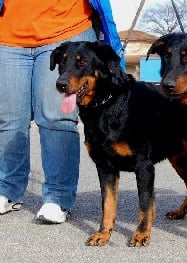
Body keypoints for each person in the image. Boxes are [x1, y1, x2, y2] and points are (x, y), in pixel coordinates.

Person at [0, 0, 125, 223]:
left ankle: (57, 197)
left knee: (56, 117)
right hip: (8, 35)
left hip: (66, 29)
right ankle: (8, 189)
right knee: (9, 119)